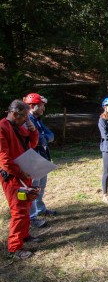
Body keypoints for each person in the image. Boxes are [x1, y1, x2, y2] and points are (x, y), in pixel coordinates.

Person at [0, 100, 39, 260]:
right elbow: (4, 159)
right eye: (25, 117)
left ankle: (24, 235)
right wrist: (21, 173)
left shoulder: (19, 127)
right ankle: (15, 247)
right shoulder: (2, 128)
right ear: (15, 114)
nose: (26, 120)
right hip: (13, 177)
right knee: (18, 210)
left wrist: (33, 130)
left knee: (27, 204)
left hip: (25, 172)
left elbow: (32, 144)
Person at [23, 93, 56, 229]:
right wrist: (43, 138)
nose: (43, 108)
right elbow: (36, 140)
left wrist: (44, 138)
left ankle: (40, 209)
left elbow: (51, 135)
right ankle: (31, 217)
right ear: (32, 106)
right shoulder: (27, 120)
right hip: (32, 158)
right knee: (33, 188)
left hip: (41, 156)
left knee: (41, 185)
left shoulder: (37, 119)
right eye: (41, 105)